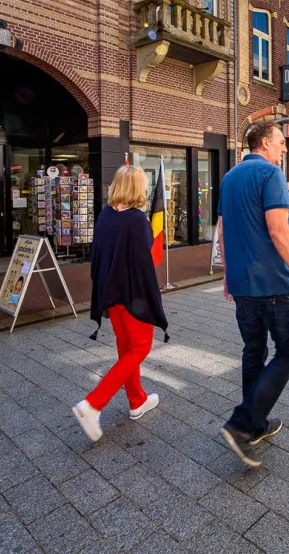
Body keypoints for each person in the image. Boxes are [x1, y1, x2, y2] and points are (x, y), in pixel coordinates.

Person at [216, 121, 289, 467]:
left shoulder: (229, 177)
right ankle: (241, 423)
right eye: (280, 142)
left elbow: (222, 229)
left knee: (253, 351)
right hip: (272, 286)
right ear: (264, 143)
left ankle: (256, 424)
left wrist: (227, 276)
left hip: (242, 285)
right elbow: (280, 233)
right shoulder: (271, 175)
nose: (284, 149)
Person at [72, 165, 168, 442]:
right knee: (140, 348)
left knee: (126, 347)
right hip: (134, 295)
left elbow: (99, 255)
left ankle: (137, 400)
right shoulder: (137, 220)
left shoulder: (105, 215)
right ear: (138, 188)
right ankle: (93, 404)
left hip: (109, 294)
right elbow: (144, 266)